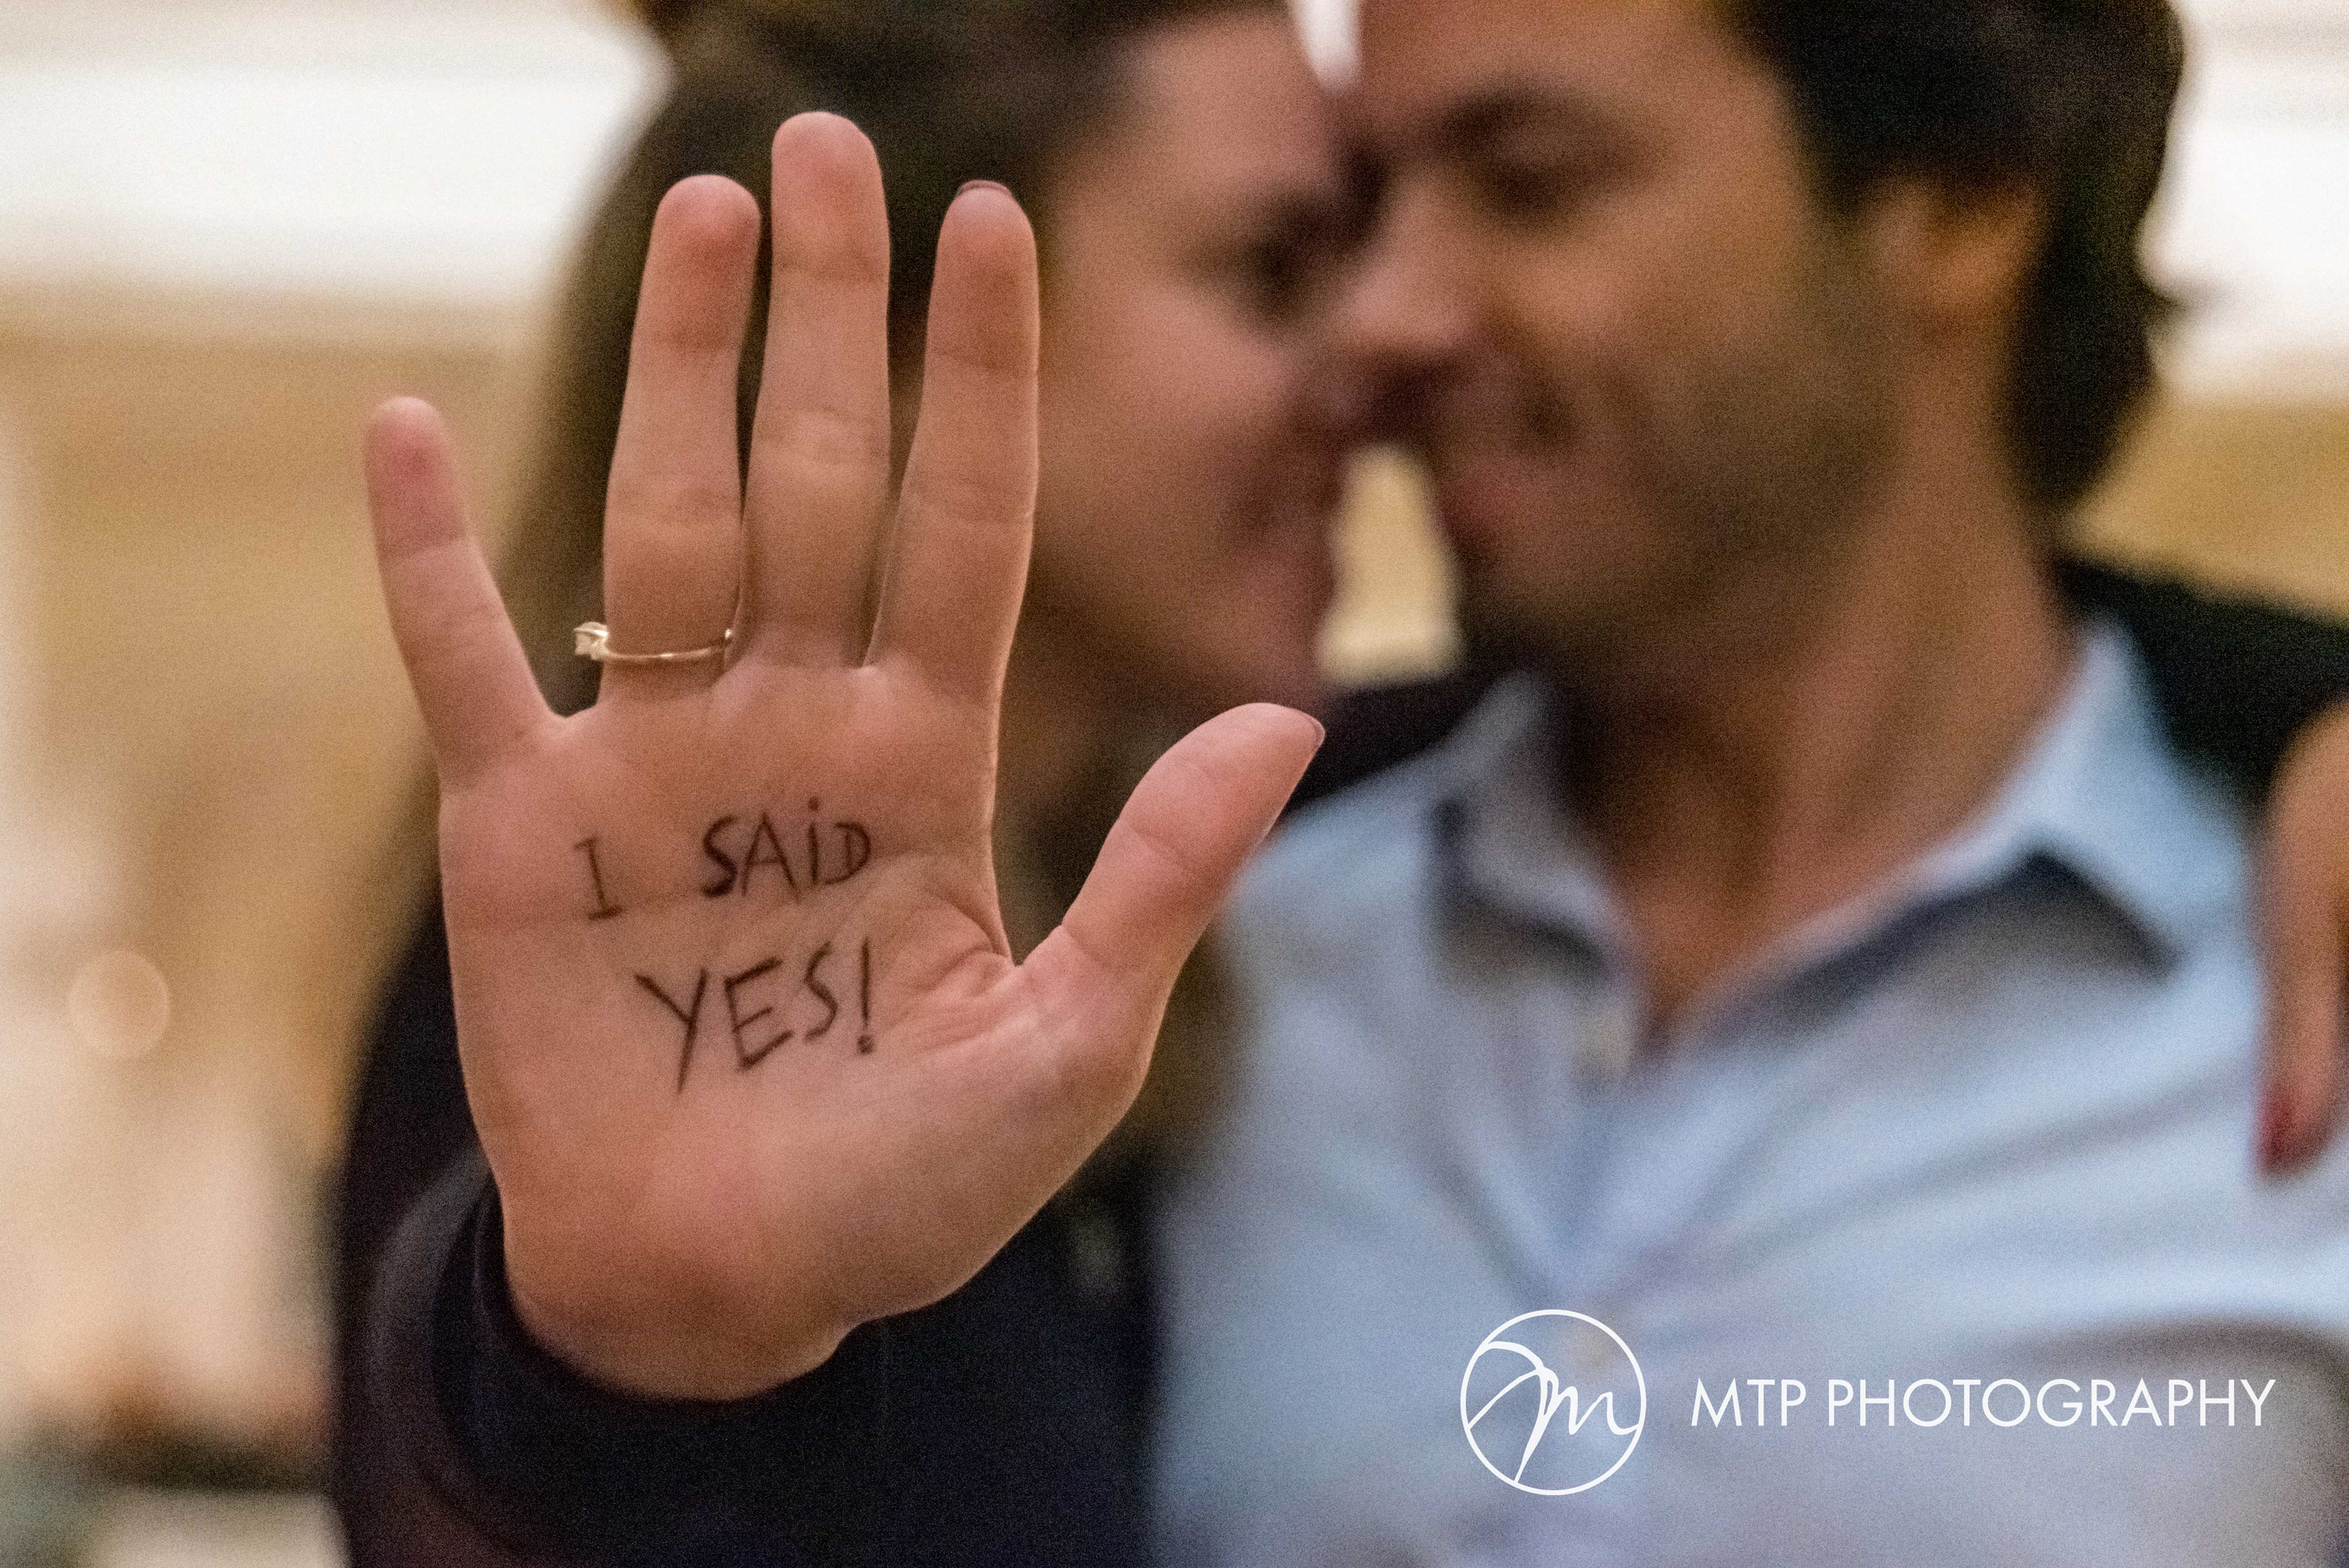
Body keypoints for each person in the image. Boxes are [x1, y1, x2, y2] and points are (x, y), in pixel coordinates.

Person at [336, 0, 2349, 1562]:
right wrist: (607, 1360)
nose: (1384, 329)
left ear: (1960, 197)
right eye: (1320, 237)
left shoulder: (2280, 963)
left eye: (1535, 179)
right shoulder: (1218, 924)